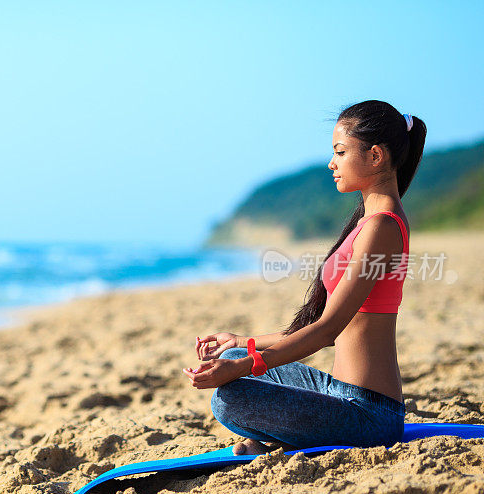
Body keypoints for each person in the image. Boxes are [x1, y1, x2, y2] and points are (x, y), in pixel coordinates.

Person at [182, 100, 427, 455]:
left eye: (340, 152)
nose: (332, 163)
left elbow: (328, 330)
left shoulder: (382, 228)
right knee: (236, 353)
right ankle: (287, 434)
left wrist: (245, 365)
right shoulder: (367, 223)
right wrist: (243, 342)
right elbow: (321, 325)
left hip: (370, 415)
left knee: (229, 398)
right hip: (339, 393)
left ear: (375, 156)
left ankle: (285, 438)